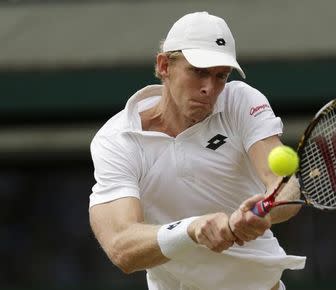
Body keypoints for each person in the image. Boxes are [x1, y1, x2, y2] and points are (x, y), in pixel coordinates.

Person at [89, 11, 306, 290]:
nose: (210, 88)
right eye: (199, 72)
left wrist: (265, 210)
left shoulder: (240, 101)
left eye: (220, 76)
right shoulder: (117, 140)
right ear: (164, 65)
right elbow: (121, 246)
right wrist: (191, 230)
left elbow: (284, 184)